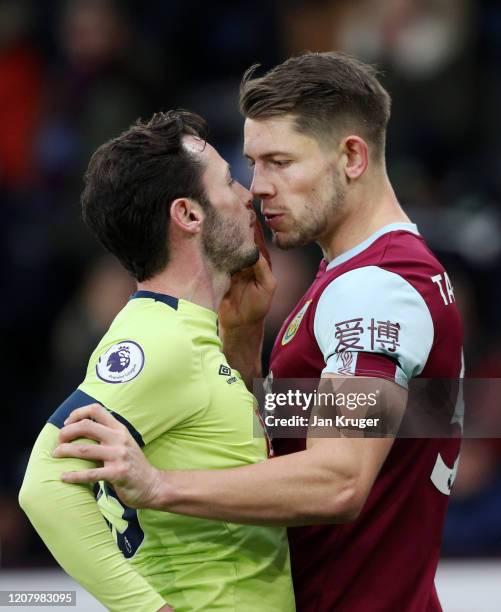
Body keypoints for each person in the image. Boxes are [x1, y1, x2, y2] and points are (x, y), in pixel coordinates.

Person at [51, 53, 464, 612]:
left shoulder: (376, 288)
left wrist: (159, 486)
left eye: (280, 162)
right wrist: (246, 343)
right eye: (251, 163)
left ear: (352, 157)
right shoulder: (359, 279)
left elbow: (339, 479)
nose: (257, 188)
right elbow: (300, 437)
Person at [19, 110, 295, 612]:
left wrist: (246, 334)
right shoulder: (157, 339)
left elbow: (242, 443)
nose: (246, 195)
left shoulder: (189, 336)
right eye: (230, 181)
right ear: (188, 215)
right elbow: (43, 485)